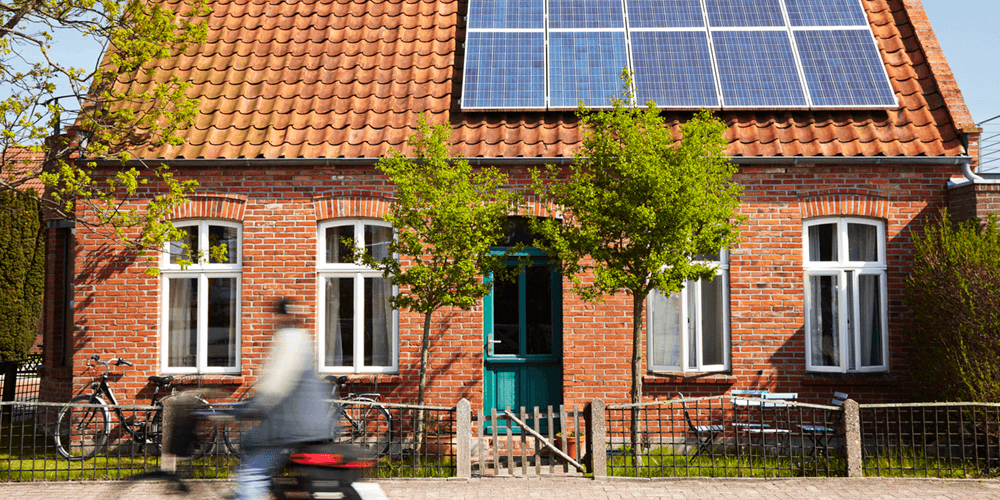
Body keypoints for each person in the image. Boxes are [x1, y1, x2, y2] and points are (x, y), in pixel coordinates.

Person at [235, 299, 332, 500]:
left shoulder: (288, 339)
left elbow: (275, 385)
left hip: (291, 427)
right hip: (310, 425)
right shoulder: (303, 337)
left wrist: (250, 408)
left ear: (281, 316)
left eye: (276, 315)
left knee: (251, 472)